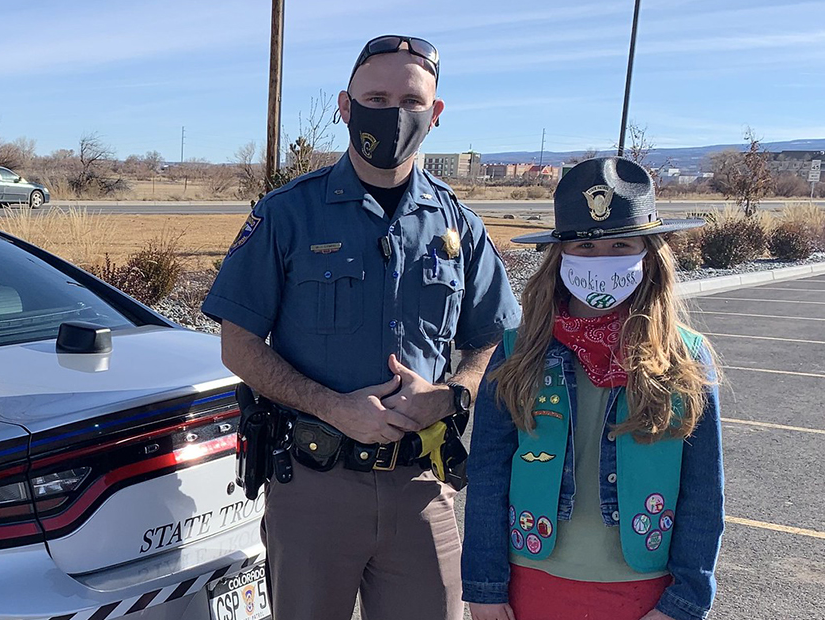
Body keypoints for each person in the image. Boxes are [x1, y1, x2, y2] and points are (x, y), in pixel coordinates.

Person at [201, 34, 520, 619]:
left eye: (409, 100)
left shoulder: (461, 228)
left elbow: (493, 343)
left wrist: (449, 397)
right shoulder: (288, 214)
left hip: (423, 488)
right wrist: (331, 406)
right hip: (315, 488)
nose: (392, 113)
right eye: (375, 96)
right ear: (345, 106)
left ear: (435, 115)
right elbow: (238, 344)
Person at [461, 156, 725, 620]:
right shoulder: (519, 350)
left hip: (643, 590)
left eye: (621, 244)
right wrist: (485, 586)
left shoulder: (684, 356)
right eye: (584, 245)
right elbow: (487, 473)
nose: (602, 260)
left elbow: (704, 495)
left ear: (649, 254)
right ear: (558, 255)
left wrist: (684, 602)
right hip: (532, 581)